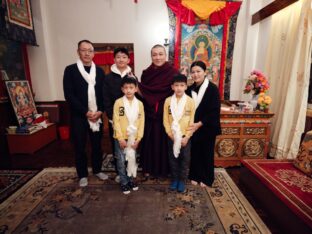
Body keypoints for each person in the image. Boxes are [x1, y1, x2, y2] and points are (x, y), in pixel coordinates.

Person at [63, 39, 108, 187]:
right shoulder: (70, 70)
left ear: (94, 53)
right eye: (84, 50)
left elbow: (103, 94)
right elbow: (69, 95)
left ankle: (97, 170)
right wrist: (86, 112)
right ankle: (82, 174)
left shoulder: (100, 72)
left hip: (97, 116)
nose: (87, 53)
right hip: (79, 116)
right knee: (79, 146)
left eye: (90, 50)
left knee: (97, 145)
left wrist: (100, 111)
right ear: (78, 52)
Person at [138, 44, 179, 178]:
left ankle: (164, 169)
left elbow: (176, 91)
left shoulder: (173, 72)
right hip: (149, 111)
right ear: (151, 56)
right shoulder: (146, 73)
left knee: (164, 142)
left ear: (165, 55)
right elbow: (144, 91)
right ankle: (148, 167)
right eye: (154, 54)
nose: (158, 57)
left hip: (166, 112)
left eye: (160, 54)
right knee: (149, 141)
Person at [186, 61, 221, 187]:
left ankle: (206, 178)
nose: (195, 74)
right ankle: (195, 175)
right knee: (195, 152)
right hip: (193, 127)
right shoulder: (189, 89)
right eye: (193, 72)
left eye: (198, 71)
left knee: (206, 152)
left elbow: (214, 110)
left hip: (207, 126)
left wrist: (199, 124)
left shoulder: (212, 89)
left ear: (205, 72)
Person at [103, 47, 134, 183]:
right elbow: (106, 99)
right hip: (115, 120)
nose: (121, 59)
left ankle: (130, 170)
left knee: (130, 146)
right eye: (118, 57)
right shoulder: (108, 77)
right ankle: (119, 171)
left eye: (124, 57)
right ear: (114, 59)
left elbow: (137, 97)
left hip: (131, 119)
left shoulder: (132, 77)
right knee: (117, 147)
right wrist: (111, 118)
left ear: (129, 59)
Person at [163, 74, 195, 193]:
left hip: (185, 137)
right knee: (173, 158)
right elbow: (165, 119)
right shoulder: (168, 101)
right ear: (172, 87)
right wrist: (169, 133)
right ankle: (175, 179)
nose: (179, 88)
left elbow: (192, 121)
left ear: (186, 87)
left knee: (185, 159)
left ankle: (182, 180)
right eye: (176, 85)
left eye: (182, 85)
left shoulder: (190, 102)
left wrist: (187, 137)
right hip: (172, 136)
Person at [113, 77, 145, 194]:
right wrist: (120, 138)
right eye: (126, 88)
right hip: (121, 138)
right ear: (122, 89)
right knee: (121, 161)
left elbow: (141, 122)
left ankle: (131, 179)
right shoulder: (118, 102)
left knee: (132, 159)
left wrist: (139, 139)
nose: (129, 90)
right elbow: (116, 121)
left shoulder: (140, 104)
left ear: (136, 89)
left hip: (134, 138)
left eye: (131, 88)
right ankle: (124, 182)